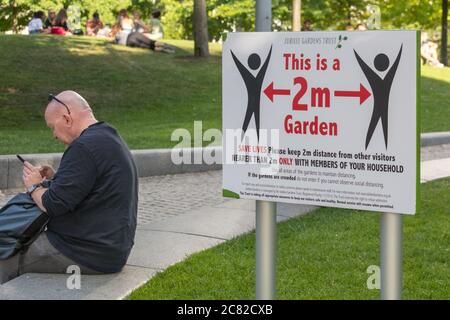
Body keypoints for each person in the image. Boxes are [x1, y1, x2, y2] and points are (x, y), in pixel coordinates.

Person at [0, 91, 138, 284]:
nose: (54, 135)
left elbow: (53, 204)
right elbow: (88, 187)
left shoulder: (83, 147)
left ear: (66, 118)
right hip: (109, 249)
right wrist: (57, 177)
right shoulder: (108, 135)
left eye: (52, 127)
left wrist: (33, 187)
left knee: (5, 255)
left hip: (83, 252)